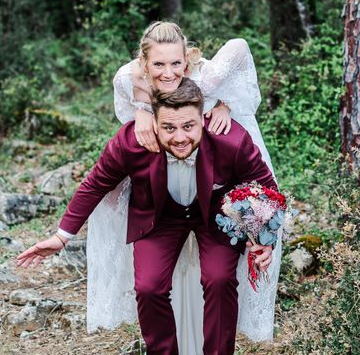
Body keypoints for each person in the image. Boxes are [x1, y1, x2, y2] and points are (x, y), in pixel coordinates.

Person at [17, 78, 277, 354]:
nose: (179, 137)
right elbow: (95, 184)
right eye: (168, 127)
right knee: (148, 287)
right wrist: (61, 237)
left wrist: (264, 239)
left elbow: (267, 188)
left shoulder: (232, 141)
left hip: (215, 216)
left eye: (188, 126)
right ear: (154, 123)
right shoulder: (131, 142)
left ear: (203, 118)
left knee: (219, 279)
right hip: (158, 217)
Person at [87, 22, 282, 353]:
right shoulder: (136, 77)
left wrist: (225, 102)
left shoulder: (206, 78)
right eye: (159, 65)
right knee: (155, 280)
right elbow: (124, 76)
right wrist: (142, 107)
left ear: (186, 61)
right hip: (166, 181)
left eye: (176, 64)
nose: (168, 72)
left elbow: (239, 47)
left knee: (217, 276)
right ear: (145, 64)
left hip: (217, 173)